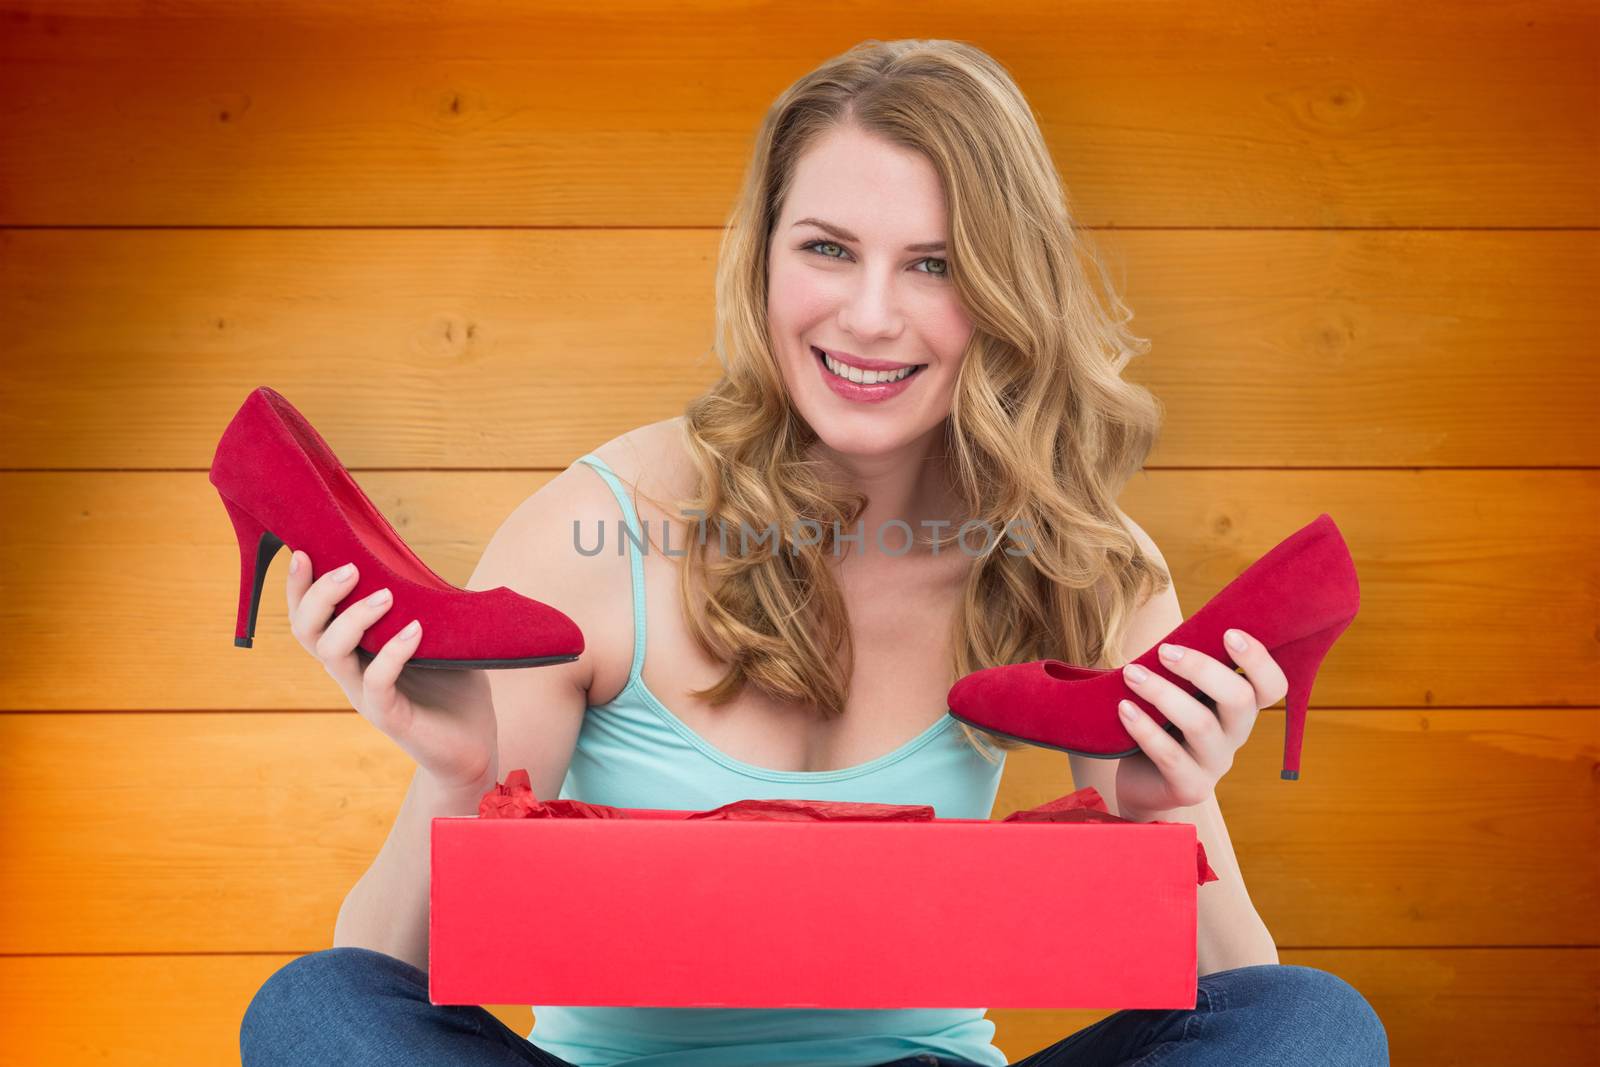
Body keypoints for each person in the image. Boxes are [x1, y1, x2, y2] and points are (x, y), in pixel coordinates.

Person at [241, 37, 1388, 1067]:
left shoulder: (1078, 555)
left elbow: (1242, 1004)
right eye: (829, 249)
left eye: (933, 264)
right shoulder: (600, 532)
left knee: (1318, 1024)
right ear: (765, 261)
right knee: (313, 1005)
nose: (871, 314)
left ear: (1003, 289)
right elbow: (380, 1000)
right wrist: (450, 777)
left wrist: (1168, 811)